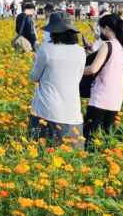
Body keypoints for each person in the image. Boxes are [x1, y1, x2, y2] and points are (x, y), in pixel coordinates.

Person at [28, 12, 86, 148]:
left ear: (52, 32)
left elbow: (34, 77)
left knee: (42, 154)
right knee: (70, 160)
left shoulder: (46, 49)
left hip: (47, 111)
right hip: (72, 113)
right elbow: (78, 78)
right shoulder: (80, 51)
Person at [82, 14, 123, 147]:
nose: (100, 32)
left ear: (107, 28)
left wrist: (75, 70)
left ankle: (88, 160)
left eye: (100, 28)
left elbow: (93, 69)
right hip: (115, 99)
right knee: (107, 136)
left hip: (101, 97)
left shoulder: (107, 45)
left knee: (89, 135)